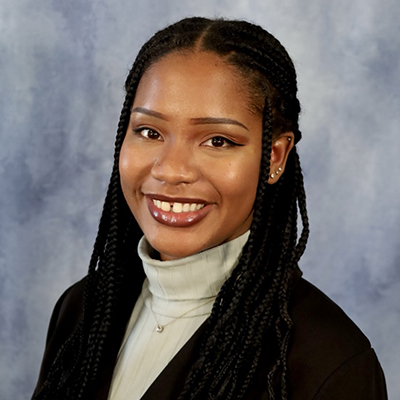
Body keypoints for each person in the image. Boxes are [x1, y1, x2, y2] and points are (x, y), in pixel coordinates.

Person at [32, 17, 387, 400]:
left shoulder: (327, 362)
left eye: (218, 140)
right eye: (150, 132)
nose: (171, 170)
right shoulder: (81, 310)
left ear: (274, 157)